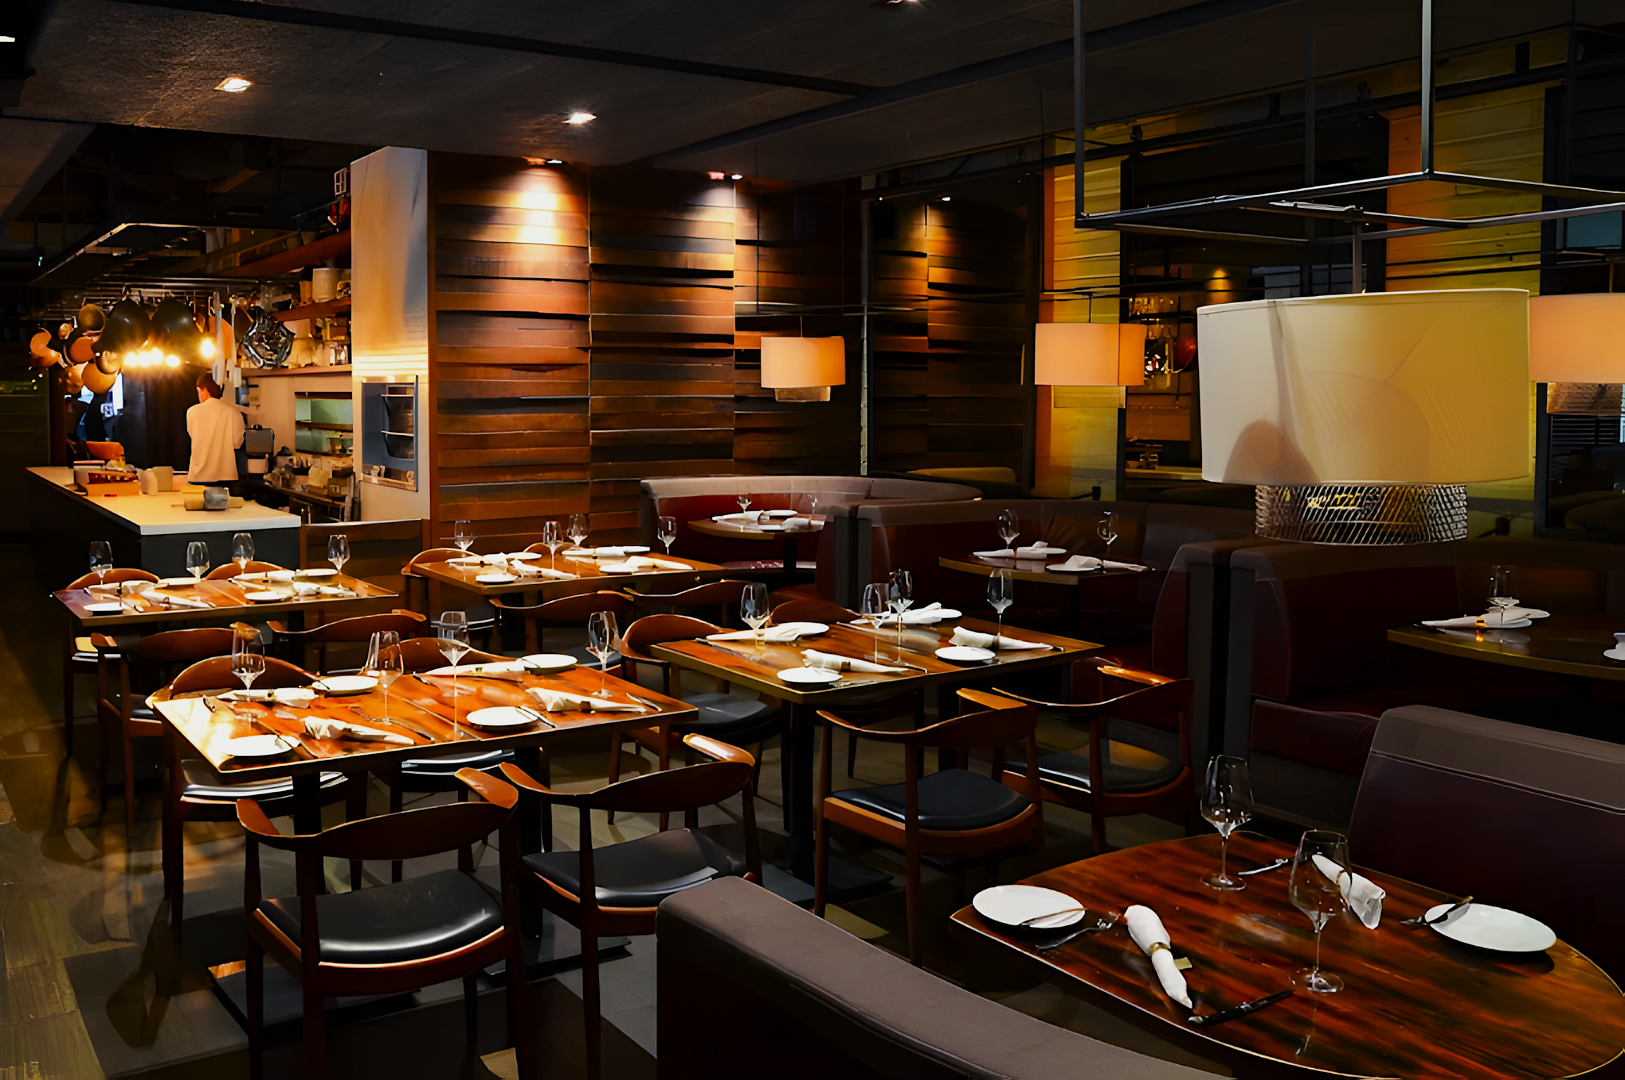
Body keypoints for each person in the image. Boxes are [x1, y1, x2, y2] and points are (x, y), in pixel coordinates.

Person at [186, 373, 245, 488]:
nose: (198, 395)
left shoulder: (192, 412)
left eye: (199, 391)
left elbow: (193, 436)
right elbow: (237, 443)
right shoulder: (234, 413)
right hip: (226, 475)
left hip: (198, 476)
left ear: (204, 390)